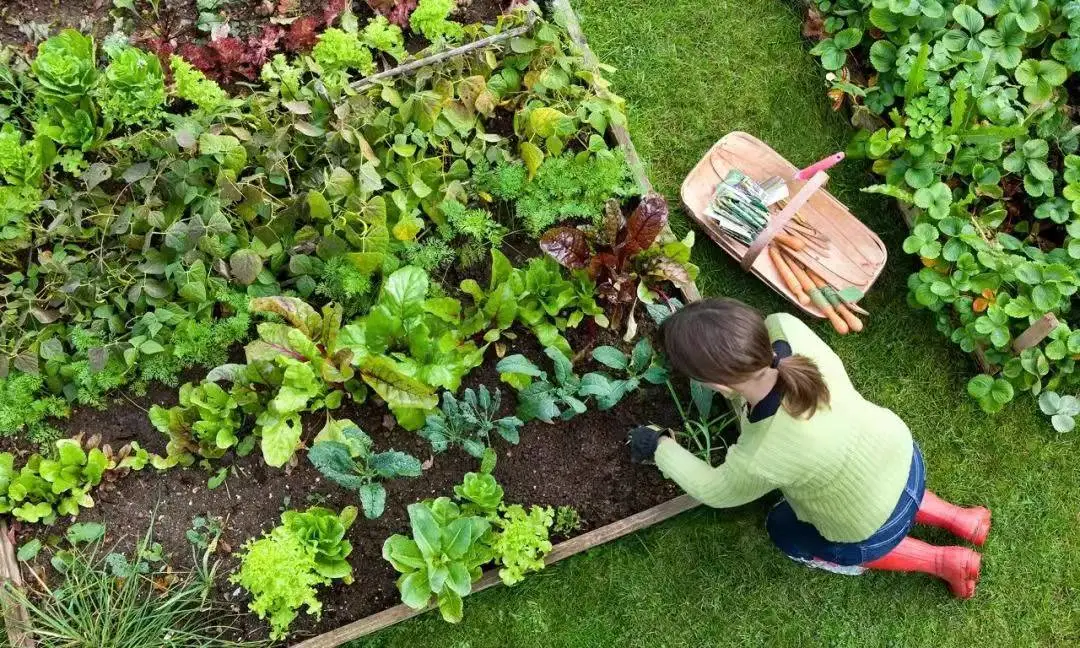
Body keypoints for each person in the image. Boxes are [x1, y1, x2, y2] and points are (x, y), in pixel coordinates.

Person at [629, 298, 991, 598]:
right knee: (874, 483)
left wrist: (659, 446)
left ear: (716, 385)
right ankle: (962, 519)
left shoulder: (762, 454)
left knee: (783, 530)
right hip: (902, 455)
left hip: (869, 524)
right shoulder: (787, 329)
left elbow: (715, 490)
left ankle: (942, 562)